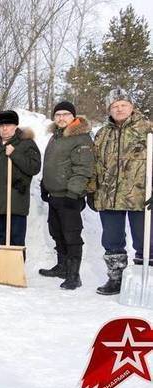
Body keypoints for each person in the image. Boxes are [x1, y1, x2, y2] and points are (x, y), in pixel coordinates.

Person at [90, 89, 153, 295]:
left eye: (123, 105)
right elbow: (94, 164)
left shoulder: (148, 129)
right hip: (109, 195)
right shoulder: (102, 133)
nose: (119, 109)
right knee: (112, 240)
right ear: (109, 109)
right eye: (114, 106)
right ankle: (115, 278)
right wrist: (92, 190)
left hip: (140, 196)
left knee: (146, 240)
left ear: (132, 107)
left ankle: (147, 279)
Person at [38, 101, 94, 290]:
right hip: (55, 194)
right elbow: (53, 164)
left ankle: (74, 275)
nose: (61, 118)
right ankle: (62, 267)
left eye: (65, 114)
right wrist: (45, 185)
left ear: (73, 117)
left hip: (69, 196)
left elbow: (84, 167)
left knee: (71, 235)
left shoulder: (81, 137)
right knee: (56, 232)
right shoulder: (57, 136)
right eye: (58, 115)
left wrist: (74, 192)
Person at [0, 111, 41, 265]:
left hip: (16, 199)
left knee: (16, 237)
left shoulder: (26, 144)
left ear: (15, 126)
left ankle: (16, 267)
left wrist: (15, 154)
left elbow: (34, 168)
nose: (4, 129)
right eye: (1, 125)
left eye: (8, 125)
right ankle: (1, 266)